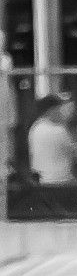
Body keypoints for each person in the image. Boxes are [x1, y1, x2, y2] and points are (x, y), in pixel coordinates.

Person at [26, 95, 77, 185]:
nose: (62, 112)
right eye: (59, 109)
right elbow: (76, 153)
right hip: (62, 181)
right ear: (51, 110)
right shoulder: (59, 130)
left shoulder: (35, 128)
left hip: (40, 181)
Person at [0, 28, 13, 221]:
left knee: (3, 164)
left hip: (3, 115)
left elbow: (8, 91)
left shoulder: (5, 61)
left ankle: (3, 213)